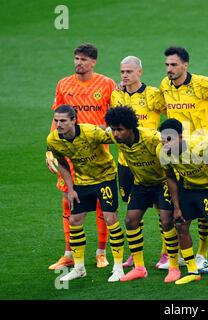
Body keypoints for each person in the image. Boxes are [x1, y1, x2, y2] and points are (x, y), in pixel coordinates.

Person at [46, 43, 116, 270]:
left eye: (84, 59)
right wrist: (50, 149)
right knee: (68, 202)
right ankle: (69, 254)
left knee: (100, 205)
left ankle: (101, 252)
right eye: (76, 58)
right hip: (70, 155)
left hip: (97, 156)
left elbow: (113, 117)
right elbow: (57, 118)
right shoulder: (64, 85)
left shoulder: (106, 84)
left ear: (93, 62)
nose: (79, 63)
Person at [46, 105, 124, 282]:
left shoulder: (91, 132)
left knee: (111, 218)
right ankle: (79, 268)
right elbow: (63, 163)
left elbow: (118, 136)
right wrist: (71, 189)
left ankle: (118, 268)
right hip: (82, 181)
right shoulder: (53, 140)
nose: (58, 124)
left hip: (105, 177)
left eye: (63, 121)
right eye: (56, 120)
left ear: (74, 120)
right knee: (74, 220)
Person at [104, 106, 180, 283]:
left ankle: (174, 266)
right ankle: (139, 267)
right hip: (142, 184)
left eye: (120, 130)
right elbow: (96, 133)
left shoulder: (153, 139)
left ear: (131, 127)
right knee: (130, 220)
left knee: (167, 220)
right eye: (114, 129)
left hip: (162, 183)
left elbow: (171, 168)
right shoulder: (116, 137)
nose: (115, 134)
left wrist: (177, 203)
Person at [160, 46, 208, 270]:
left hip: (202, 153)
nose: (169, 69)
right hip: (177, 154)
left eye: (174, 65)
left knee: (206, 209)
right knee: (178, 207)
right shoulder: (165, 85)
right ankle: (173, 255)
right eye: (167, 65)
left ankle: (203, 255)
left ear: (185, 65)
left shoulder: (203, 84)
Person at [110, 56, 170, 269]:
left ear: (139, 72)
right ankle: (136, 255)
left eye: (128, 71)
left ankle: (167, 253)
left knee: (162, 210)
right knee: (135, 208)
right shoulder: (116, 94)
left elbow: (172, 114)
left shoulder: (153, 94)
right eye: (122, 72)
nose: (125, 75)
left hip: (152, 163)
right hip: (126, 162)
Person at [157, 119, 208, 286]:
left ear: (181, 137)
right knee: (181, 225)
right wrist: (177, 207)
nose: (165, 143)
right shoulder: (163, 151)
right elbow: (170, 177)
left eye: (169, 139)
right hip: (189, 187)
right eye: (163, 139)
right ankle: (192, 270)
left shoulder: (198, 145)